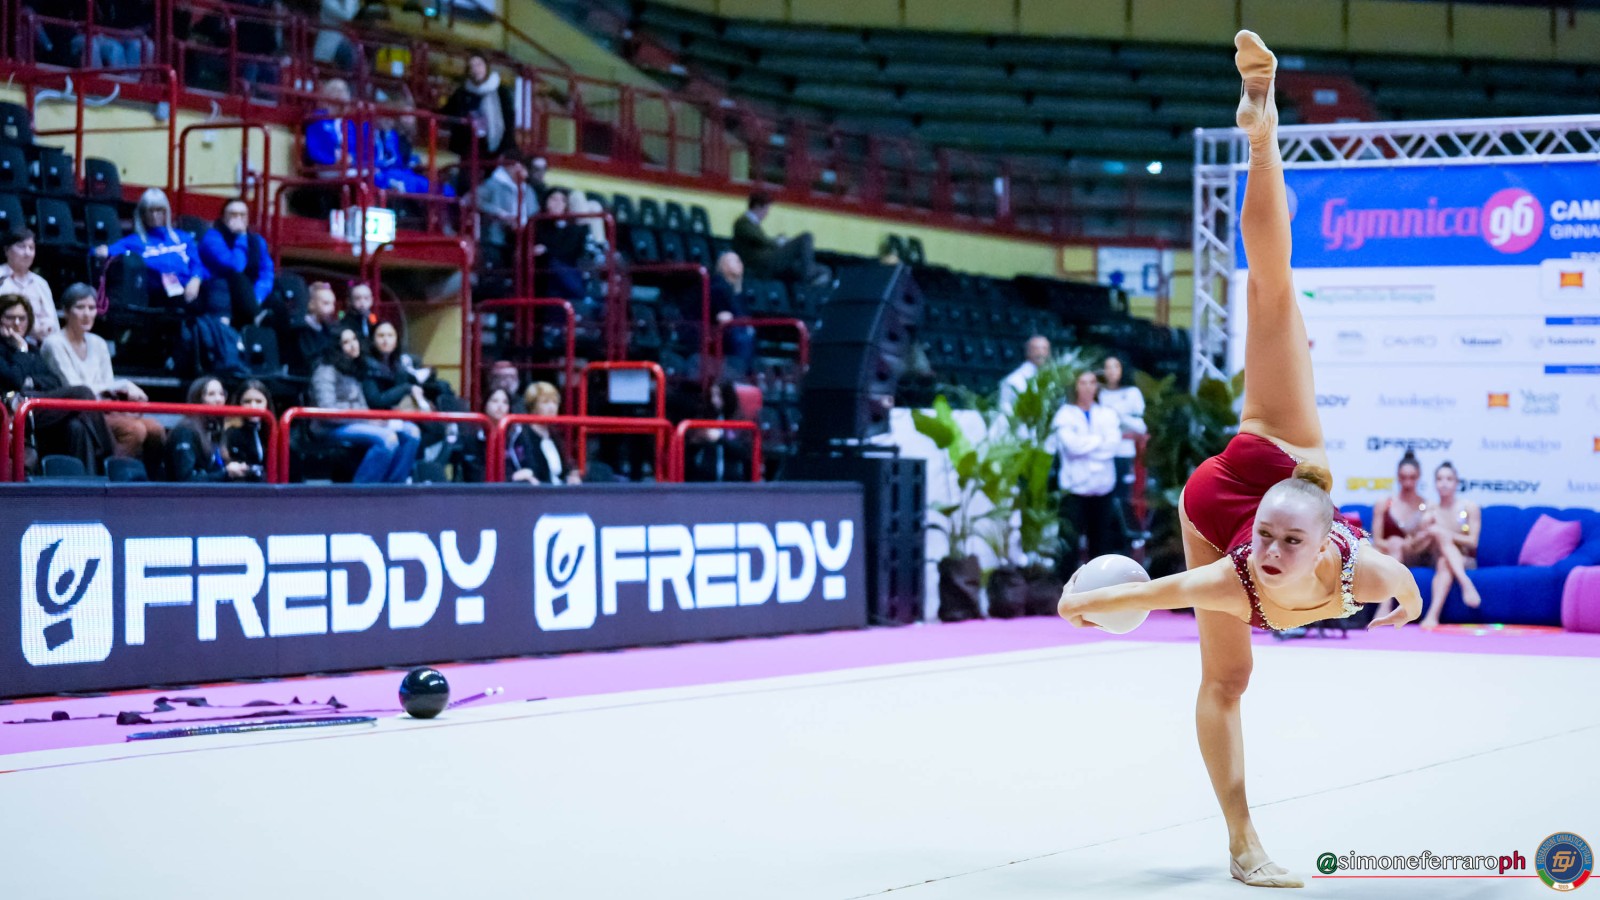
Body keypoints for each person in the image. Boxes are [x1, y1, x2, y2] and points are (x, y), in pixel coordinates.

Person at [1057, 33, 1423, 889]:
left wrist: (1405, 596)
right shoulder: (1246, 573)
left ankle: (1260, 127)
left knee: (1230, 676)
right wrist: (1082, 604)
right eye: (1269, 544)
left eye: (1286, 546)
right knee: (1272, 287)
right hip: (1275, 462)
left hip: (1234, 501)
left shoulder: (1351, 573)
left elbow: (1401, 583)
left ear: (1324, 544)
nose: (1271, 555)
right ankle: (1242, 840)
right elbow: (1146, 594)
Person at [41, 283, 167, 473]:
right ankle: (112, 477)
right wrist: (120, 385)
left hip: (105, 406)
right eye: (80, 307)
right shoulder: (54, 343)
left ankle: (149, 483)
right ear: (66, 311)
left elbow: (108, 383)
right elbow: (75, 388)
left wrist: (122, 396)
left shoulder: (98, 343)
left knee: (155, 429)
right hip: (79, 411)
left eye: (91, 308)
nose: (87, 314)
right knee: (135, 430)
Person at [0, 294, 113, 473]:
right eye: (10, 318)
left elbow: (54, 382)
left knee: (76, 426)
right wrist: (21, 351)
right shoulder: (14, 349)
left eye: (22, 318)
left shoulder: (33, 351)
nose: (17, 323)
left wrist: (29, 380)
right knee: (82, 393)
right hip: (14, 410)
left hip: (36, 405)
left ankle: (85, 483)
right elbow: (13, 380)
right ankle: (110, 454)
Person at [309, 328, 419, 484]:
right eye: (346, 342)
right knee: (387, 439)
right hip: (329, 428)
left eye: (354, 339)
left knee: (411, 432)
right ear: (336, 348)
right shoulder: (326, 370)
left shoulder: (354, 368)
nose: (353, 345)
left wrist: (373, 420)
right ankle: (362, 491)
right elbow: (328, 412)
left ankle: (394, 487)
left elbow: (361, 406)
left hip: (356, 422)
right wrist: (366, 419)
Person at [1052, 368, 1126, 563]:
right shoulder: (1065, 414)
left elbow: (1112, 446)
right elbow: (1072, 447)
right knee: (1069, 543)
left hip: (1102, 488)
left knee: (1101, 543)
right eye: (1083, 382)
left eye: (1092, 382)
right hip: (1074, 489)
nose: (1087, 387)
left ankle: (1099, 581)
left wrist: (1086, 444)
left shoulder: (1107, 414)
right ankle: (1065, 579)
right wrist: (1098, 440)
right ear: (1075, 386)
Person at [97, 188, 207, 313]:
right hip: (158, 293)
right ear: (143, 214)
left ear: (166, 212)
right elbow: (105, 251)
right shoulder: (133, 241)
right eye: (150, 211)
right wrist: (102, 251)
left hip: (189, 289)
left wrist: (196, 280)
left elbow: (197, 264)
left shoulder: (183, 238)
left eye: (159, 210)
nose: (155, 215)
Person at [1417, 460, 1482, 628]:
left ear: (1456, 482)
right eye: (1439, 479)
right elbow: (1420, 545)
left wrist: (1446, 534)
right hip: (1436, 557)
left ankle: (1432, 615)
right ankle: (1465, 583)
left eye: (1449, 479)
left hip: (1465, 559)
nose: (1444, 483)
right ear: (1435, 483)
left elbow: (1473, 542)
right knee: (1443, 559)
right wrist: (1427, 530)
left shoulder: (1469, 507)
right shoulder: (1430, 510)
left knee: (1444, 561)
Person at [198, 198, 275, 325]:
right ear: (223, 218)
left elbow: (267, 272)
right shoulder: (212, 237)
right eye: (233, 215)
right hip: (219, 289)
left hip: (251, 295)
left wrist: (257, 297)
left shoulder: (257, 240)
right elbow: (236, 266)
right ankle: (255, 316)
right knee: (238, 277)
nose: (239, 219)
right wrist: (241, 236)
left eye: (242, 215)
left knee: (278, 301)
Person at [1099, 355, 1148, 545]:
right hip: (1101, 453)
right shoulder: (1099, 393)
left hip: (1124, 452)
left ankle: (1126, 539)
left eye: (1115, 367)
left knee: (1123, 496)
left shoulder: (1132, 393)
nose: (1111, 371)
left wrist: (1116, 416)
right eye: (1107, 367)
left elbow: (1140, 426)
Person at [166, 375, 254, 482]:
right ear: (198, 399)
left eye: (222, 394)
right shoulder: (184, 432)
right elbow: (187, 480)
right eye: (211, 394)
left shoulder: (214, 429)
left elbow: (215, 471)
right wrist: (226, 473)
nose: (219, 399)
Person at [731, 193, 828, 286]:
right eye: (766, 209)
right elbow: (761, 240)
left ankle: (808, 274)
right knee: (806, 237)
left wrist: (780, 241)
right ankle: (808, 276)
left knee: (823, 270)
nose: (767, 213)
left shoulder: (751, 223)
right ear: (757, 206)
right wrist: (780, 242)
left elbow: (761, 241)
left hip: (767, 262)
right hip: (763, 264)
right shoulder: (743, 223)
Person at [443, 53, 517, 162]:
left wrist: (506, 149)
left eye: (478, 65)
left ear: (486, 67)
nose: (475, 69)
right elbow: (448, 112)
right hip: (468, 148)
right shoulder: (461, 93)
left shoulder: (502, 92)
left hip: (495, 147)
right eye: (471, 66)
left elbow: (509, 121)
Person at [507, 380, 579, 484]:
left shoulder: (555, 435)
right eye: (546, 402)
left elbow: (564, 470)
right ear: (533, 406)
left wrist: (571, 476)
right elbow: (523, 469)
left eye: (555, 402)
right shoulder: (522, 435)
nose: (552, 407)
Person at [474, 154, 538, 271]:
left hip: (522, 238)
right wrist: (498, 212)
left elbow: (534, 211)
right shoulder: (493, 184)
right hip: (495, 237)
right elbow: (475, 200)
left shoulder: (528, 190)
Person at [684, 379, 750, 482]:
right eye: (712, 395)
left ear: (727, 396)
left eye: (718, 395)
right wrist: (698, 440)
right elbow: (690, 448)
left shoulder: (740, 421)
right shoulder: (703, 419)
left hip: (732, 479)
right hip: (704, 479)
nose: (714, 400)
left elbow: (743, 452)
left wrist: (720, 439)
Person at [0, 230, 58, 343]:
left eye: (31, 248)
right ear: (7, 250)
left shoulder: (40, 283)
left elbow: (53, 323)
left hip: (37, 344)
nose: (27, 253)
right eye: (21, 247)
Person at [532, 189, 587, 301]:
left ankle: (582, 296)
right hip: (544, 271)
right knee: (553, 264)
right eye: (554, 199)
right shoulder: (536, 223)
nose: (558, 203)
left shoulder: (572, 227)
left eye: (563, 200)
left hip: (567, 268)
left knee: (560, 267)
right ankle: (584, 297)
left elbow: (571, 250)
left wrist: (547, 250)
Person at [223, 379, 273, 481]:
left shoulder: (272, 430)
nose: (253, 406)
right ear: (239, 403)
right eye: (247, 401)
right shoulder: (232, 432)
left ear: (267, 404)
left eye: (259, 401)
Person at [291, 282, 342, 376]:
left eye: (333, 304)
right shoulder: (301, 330)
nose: (332, 309)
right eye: (326, 303)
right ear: (311, 304)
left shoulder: (328, 330)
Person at [999, 335, 1050, 419]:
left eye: (1045, 349)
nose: (1041, 353)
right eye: (1036, 349)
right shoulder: (1013, 381)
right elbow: (1005, 409)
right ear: (1028, 352)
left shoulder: (1052, 378)